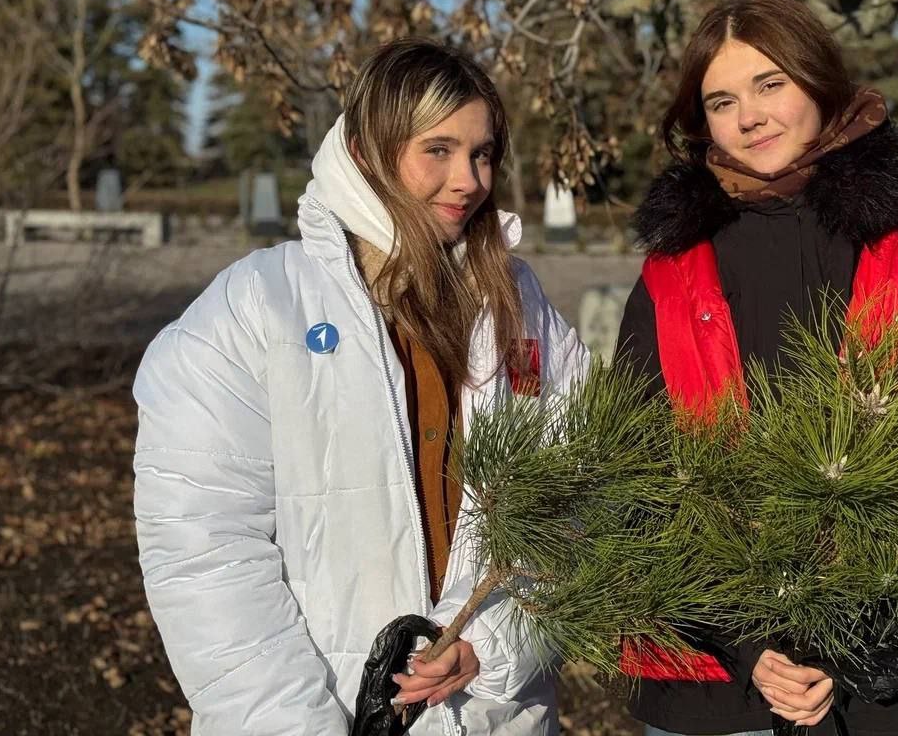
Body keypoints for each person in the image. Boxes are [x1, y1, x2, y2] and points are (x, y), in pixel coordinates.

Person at [133, 37, 589, 735]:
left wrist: (489, 646)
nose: (468, 179)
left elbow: (576, 493)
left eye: (483, 153)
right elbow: (206, 554)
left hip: (502, 716)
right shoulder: (258, 308)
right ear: (369, 151)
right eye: (437, 150)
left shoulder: (518, 306)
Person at [616, 0, 898, 736]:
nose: (750, 116)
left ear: (819, 83)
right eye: (722, 100)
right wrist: (748, 644)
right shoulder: (673, 272)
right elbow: (644, 471)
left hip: (894, 669)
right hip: (715, 679)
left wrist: (862, 635)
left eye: (771, 84)